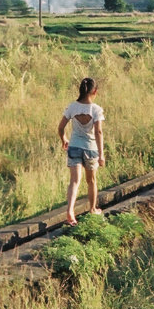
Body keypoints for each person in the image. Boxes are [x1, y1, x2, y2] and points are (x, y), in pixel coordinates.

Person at [57, 76, 105, 226]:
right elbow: (98, 132)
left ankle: (70, 211)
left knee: (74, 182)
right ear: (95, 91)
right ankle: (92, 209)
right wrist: (102, 154)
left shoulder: (72, 107)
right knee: (91, 181)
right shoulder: (96, 110)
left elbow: (60, 127)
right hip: (91, 149)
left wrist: (64, 139)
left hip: (74, 147)